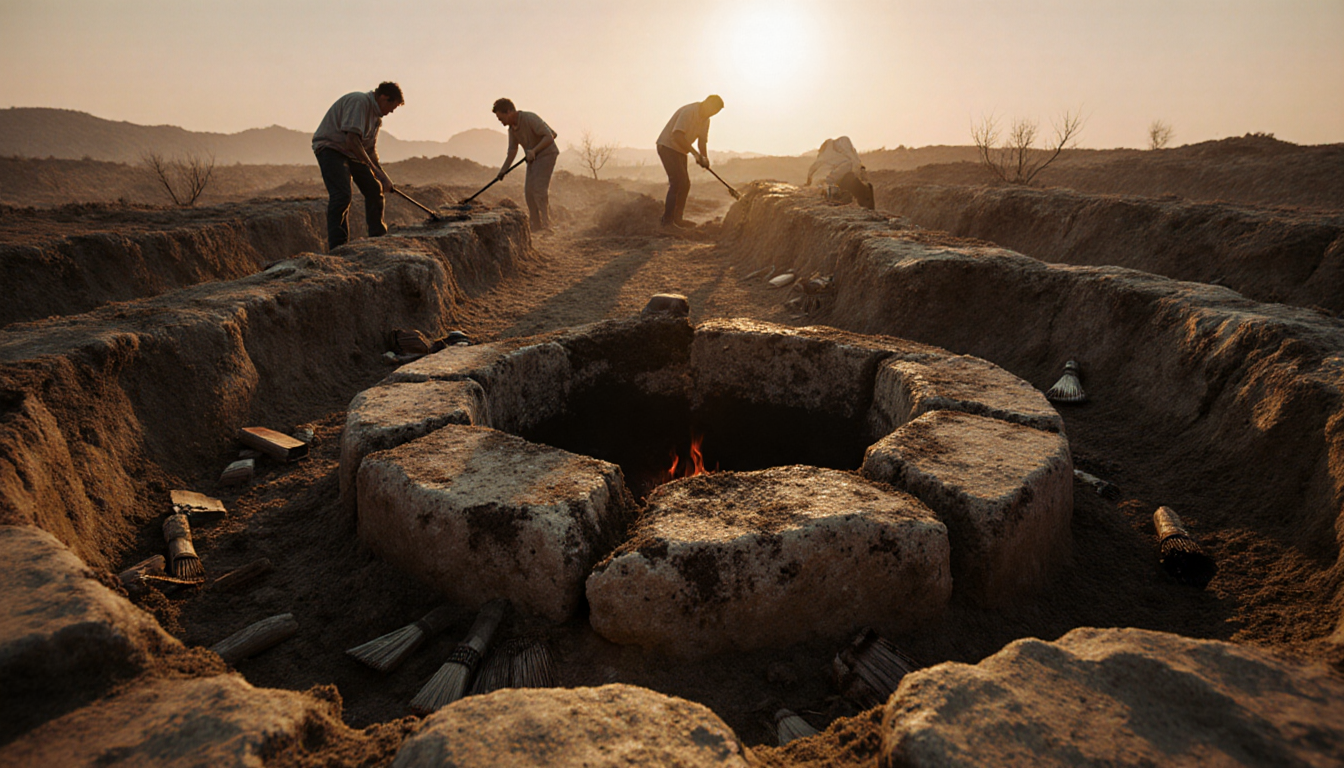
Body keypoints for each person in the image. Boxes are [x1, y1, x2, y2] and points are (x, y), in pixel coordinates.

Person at [312, 82, 404, 251]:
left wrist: (383, 176)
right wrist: (373, 169)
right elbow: (352, 140)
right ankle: (338, 247)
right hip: (331, 149)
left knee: (374, 189)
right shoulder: (359, 102)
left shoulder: (376, 119)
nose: (391, 112)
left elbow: (369, 151)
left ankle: (378, 237)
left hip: (352, 153)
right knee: (342, 195)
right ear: (384, 98)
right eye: (392, 107)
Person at [656, 95, 723, 229]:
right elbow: (677, 135)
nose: (712, 114)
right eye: (713, 110)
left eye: (715, 113)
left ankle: (678, 219)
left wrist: (704, 157)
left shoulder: (706, 120)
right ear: (706, 103)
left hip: (680, 150)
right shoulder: (689, 111)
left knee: (685, 184)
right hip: (668, 146)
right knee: (677, 182)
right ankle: (667, 222)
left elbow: (702, 141)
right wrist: (695, 154)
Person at [493, 98, 559, 232]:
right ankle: (536, 226)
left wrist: (534, 151)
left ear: (509, 111)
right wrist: (503, 171)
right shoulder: (512, 129)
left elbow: (549, 136)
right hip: (532, 158)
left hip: (546, 154)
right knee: (528, 192)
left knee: (538, 189)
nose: (502, 123)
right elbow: (512, 151)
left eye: (501, 118)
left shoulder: (530, 118)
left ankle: (546, 225)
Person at [805, 136, 874, 209]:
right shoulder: (846, 160)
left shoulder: (828, 156)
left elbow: (813, 169)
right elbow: (855, 164)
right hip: (837, 183)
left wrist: (809, 181)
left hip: (834, 183)